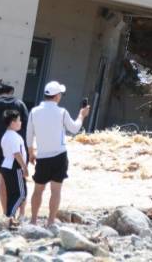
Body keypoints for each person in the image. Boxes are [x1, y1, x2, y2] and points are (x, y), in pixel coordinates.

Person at [25, 80, 90, 227]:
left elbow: (29, 135)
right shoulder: (62, 112)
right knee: (56, 191)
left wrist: (31, 153)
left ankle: (33, 220)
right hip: (59, 156)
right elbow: (74, 129)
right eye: (60, 93)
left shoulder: (34, 111)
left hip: (42, 156)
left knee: (38, 190)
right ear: (56, 96)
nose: (61, 96)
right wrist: (82, 115)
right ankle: (50, 221)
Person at [0, 80, 29, 218]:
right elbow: (27, 127)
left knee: (3, 180)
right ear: (12, 91)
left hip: (2, 148)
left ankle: (6, 212)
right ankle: (21, 213)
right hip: (18, 148)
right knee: (21, 181)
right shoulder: (20, 104)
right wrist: (29, 150)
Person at [0, 109, 29, 229]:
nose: (21, 122)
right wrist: (24, 167)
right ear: (12, 122)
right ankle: (9, 216)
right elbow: (17, 153)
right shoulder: (14, 136)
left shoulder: (5, 135)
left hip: (6, 166)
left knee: (12, 193)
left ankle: (10, 217)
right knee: (21, 194)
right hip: (14, 166)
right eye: (19, 120)